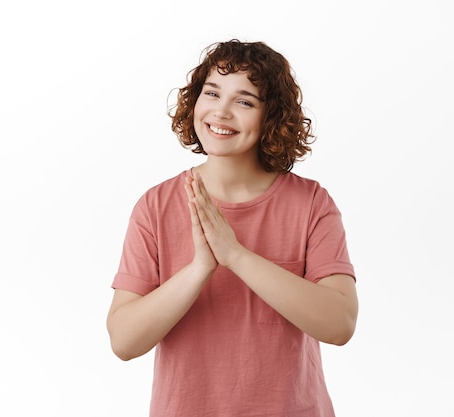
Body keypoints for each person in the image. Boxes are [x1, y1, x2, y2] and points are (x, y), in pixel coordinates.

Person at [106, 39, 358, 417]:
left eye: (244, 101)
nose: (220, 111)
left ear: (271, 116)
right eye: (211, 93)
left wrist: (236, 255)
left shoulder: (311, 204)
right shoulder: (155, 206)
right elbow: (124, 341)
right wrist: (200, 269)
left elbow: (340, 324)